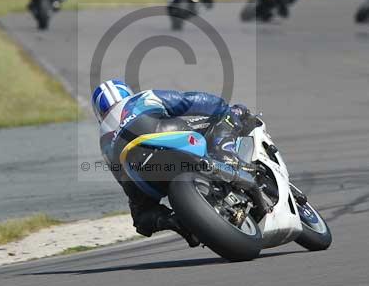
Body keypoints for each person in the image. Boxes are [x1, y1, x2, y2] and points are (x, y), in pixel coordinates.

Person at [92, 79, 254, 247]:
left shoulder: (103, 140)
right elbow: (188, 100)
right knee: (227, 115)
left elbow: (123, 179)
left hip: (140, 173)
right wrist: (224, 108)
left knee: (141, 217)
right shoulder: (141, 98)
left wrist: (140, 203)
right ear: (126, 92)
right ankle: (227, 157)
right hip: (166, 135)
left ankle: (178, 223)